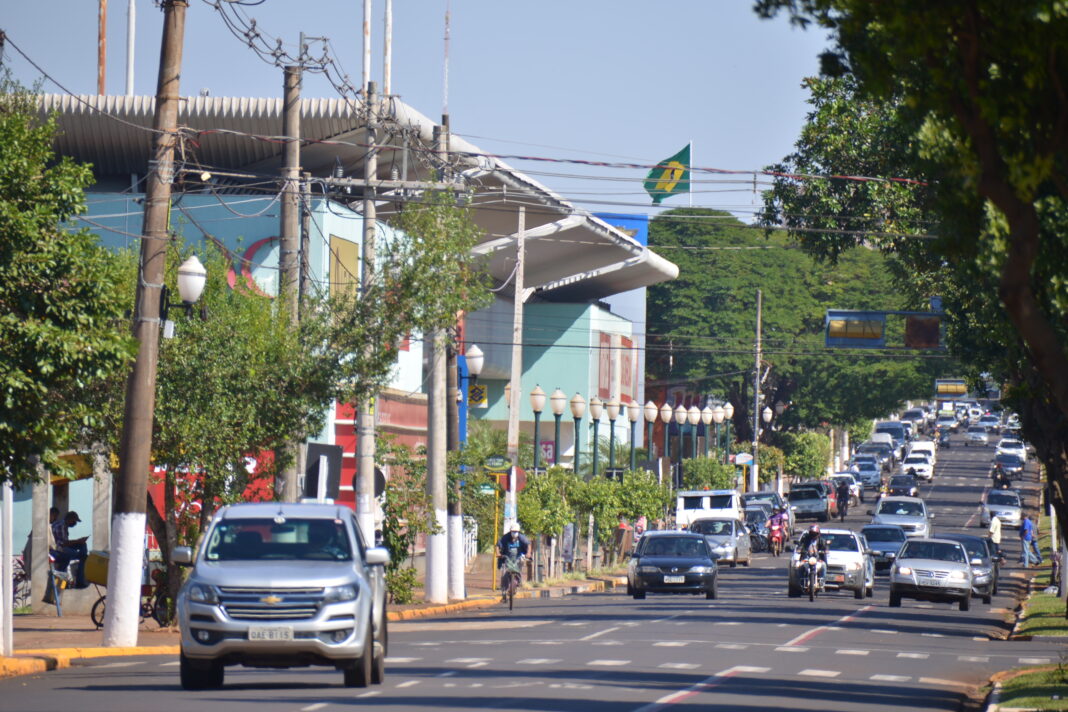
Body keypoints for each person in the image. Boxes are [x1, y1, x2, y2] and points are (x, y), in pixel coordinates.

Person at [50, 510, 88, 588]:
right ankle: (80, 582)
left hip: (62, 547)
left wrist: (79, 541)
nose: (75, 523)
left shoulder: (63, 525)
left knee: (83, 545)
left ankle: (75, 580)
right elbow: (63, 543)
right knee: (83, 557)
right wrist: (78, 541)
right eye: (74, 521)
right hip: (58, 549)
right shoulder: (61, 525)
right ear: (70, 519)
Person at [497, 526, 530, 600]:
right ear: (510, 531)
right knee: (505, 573)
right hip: (507, 558)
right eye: (513, 531)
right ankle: (504, 589)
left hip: (518, 558)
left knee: (519, 567)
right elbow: (498, 545)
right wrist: (498, 553)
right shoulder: (505, 538)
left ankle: (518, 582)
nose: (514, 533)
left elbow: (528, 544)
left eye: (516, 531)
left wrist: (528, 553)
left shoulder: (521, 538)